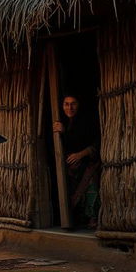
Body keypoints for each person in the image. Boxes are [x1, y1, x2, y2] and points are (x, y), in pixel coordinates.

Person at [53, 95, 101, 229]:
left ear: (79, 105)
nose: (70, 107)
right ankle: (75, 218)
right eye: (66, 104)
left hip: (87, 163)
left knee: (91, 186)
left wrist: (80, 154)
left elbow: (96, 142)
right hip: (70, 166)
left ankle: (93, 217)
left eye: (73, 104)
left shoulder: (87, 122)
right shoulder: (63, 123)